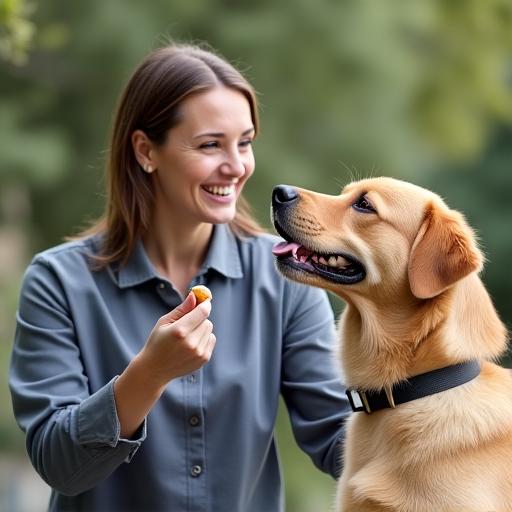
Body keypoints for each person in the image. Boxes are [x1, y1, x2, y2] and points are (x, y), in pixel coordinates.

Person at [9, 43, 351, 512]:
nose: (236, 166)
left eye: (245, 142)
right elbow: (60, 466)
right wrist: (149, 374)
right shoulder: (59, 282)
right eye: (211, 144)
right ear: (146, 150)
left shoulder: (283, 276)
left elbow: (340, 439)